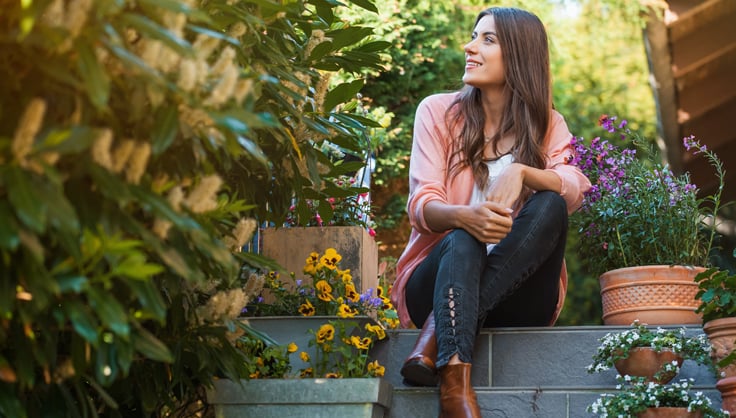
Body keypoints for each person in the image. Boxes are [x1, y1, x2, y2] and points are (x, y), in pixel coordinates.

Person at [389, 6, 592, 418]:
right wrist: (467, 217)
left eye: (487, 39)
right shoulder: (438, 112)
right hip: (436, 287)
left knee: (551, 200)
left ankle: (434, 340)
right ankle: (454, 386)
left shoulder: (548, 124)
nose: (470, 47)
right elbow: (421, 205)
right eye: (473, 36)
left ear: (518, 54)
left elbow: (576, 187)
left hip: (520, 294)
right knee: (463, 237)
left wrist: (523, 172)